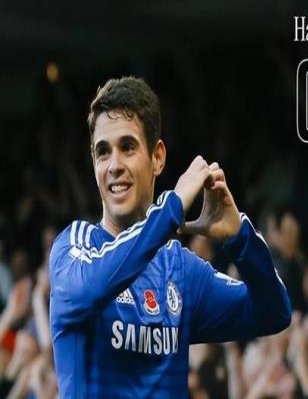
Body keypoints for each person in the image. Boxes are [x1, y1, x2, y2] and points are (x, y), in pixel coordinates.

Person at [49, 76, 291, 398]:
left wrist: (239, 238)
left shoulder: (180, 270)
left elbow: (274, 312)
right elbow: (90, 289)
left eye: (128, 147)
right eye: (103, 152)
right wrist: (171, 208)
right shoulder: (74, 247)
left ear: (158, 157)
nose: (114, 165)